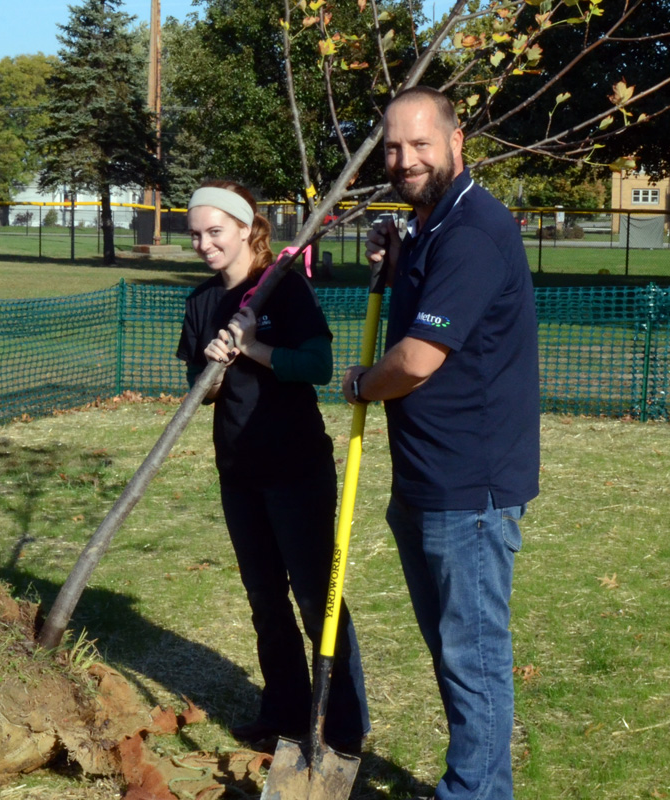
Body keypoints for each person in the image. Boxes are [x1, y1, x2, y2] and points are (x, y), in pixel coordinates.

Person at [341, 86, 540, 800]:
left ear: (457, 144)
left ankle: (476, 793)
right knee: (456, 653)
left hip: (470, 490)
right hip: (426, 481)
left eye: (421, 144)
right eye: (393, 147)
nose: (405, 159)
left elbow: (420, 359)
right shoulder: (433, 228)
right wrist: (401, 264)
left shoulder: (475, 231)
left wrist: (363, 382)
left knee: (473, 658)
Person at [177, 181, 369, 754]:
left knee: (316, 597)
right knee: (265, 598)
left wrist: (255, 348)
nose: (205, 244)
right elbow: (197, 392)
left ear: (244, 229)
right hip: (239, 471)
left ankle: (341, 723)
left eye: (215, 231)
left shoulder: (284, 290)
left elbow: (317, 364)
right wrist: (211, 368)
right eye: (196, 235)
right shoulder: (203, 303)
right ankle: (282, 711)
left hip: (296, 469)